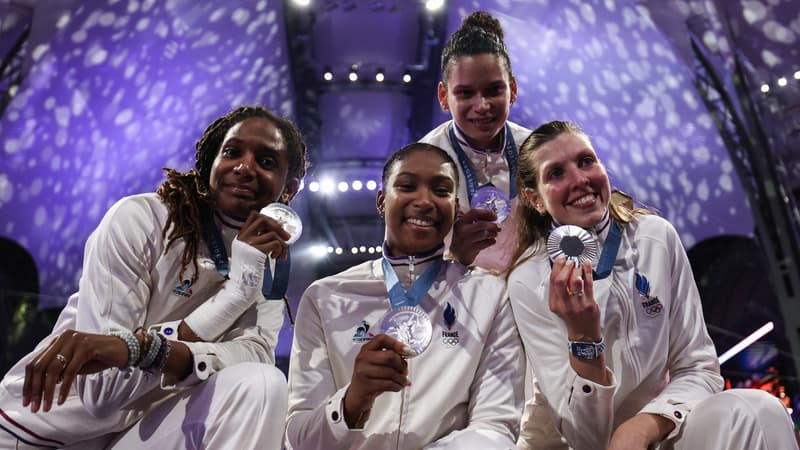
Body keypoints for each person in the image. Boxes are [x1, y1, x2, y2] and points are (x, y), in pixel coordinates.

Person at [0, 105, 308, 449]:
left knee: (262, 383)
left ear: (289, 188)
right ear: (212, 162)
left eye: (266, 161)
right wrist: (234, 295)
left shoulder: (268, 264)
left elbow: (254, 354)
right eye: (232, 152)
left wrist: (150, 350)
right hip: (35, 434)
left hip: (137, 435)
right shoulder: (142, 219)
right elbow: (103, 392)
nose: (244, 167)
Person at [507, 120, 798, 450]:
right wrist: (583, 337)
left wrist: (646, 424)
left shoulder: (655, 238)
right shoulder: (528, 281)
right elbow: (585, 438)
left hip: (661, 428)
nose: (579, 179)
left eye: (586, 161)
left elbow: (699, 368)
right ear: (535, 199)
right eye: (556, 173)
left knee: (759, 411)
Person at [285, 143, 524, 449]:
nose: (424, 201)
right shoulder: (326, 297)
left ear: (455, 209)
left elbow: (495, 427)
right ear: (382, 201)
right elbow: (299, 438)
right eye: (407, 186)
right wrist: (352, 402)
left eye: (441, 190)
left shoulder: (489, 295)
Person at [420, 11, 531, 272]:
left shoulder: (536, 151)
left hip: (530, 289)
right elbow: (407, 264)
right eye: (466, 93)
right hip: (455, 292)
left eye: (494, 90)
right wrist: (454, 254)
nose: (482, 105)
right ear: (444, 96)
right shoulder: (422, 163)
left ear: (513, 89)